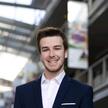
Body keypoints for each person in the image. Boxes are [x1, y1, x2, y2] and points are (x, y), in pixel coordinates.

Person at [14, 27, 93, 108]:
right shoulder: (22, 93)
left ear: (65, 53)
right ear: (40, 55)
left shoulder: (83, 91)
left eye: (57, 48)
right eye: (45, 49)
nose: (51, 54)